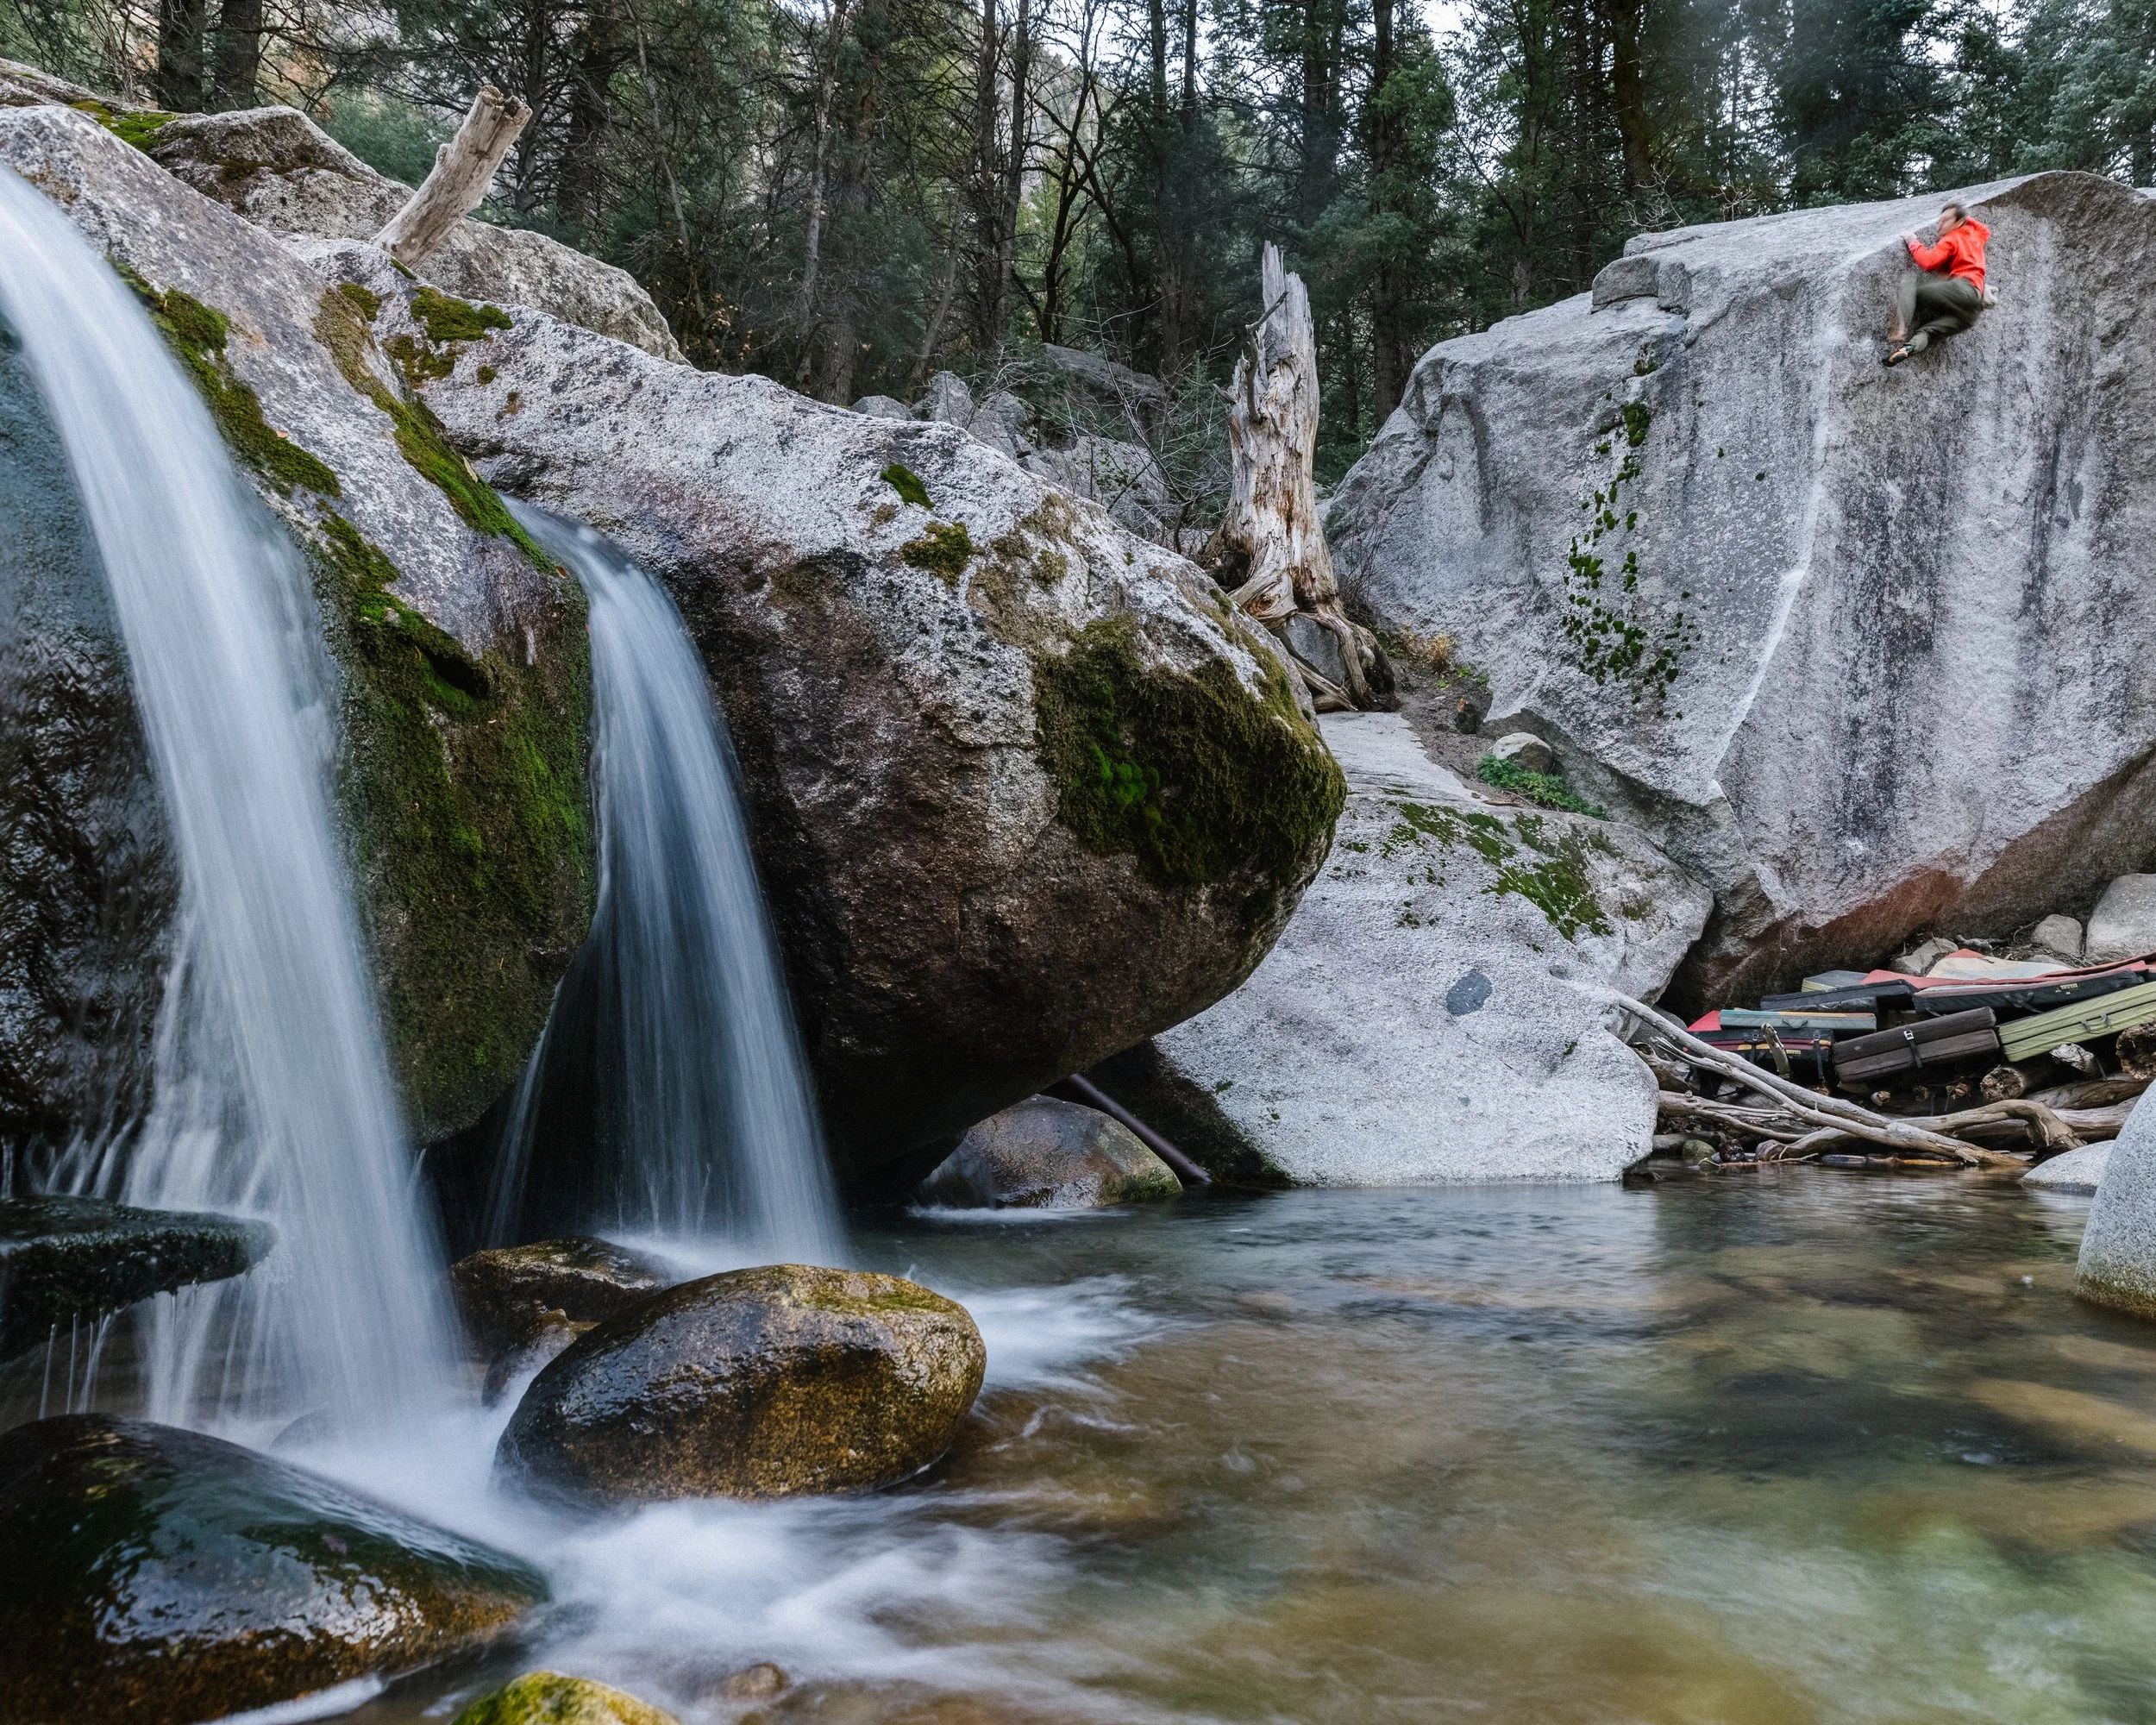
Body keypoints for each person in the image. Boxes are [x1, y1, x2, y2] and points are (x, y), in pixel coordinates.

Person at [1886, 202, 1991, 366]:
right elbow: (1985, 231)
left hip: (1963, 289)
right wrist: (1965, 217)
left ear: (1959, 222)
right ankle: (1908, 349)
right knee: (1928, 331)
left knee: (1910, 286)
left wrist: (1912, 241)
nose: (1940, 224)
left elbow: (1929, 262)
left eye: (1946, 220)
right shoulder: (1976, 237)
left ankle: (1899, 329)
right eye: (1940, 220)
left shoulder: (1953, 237)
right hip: (1973, 311)